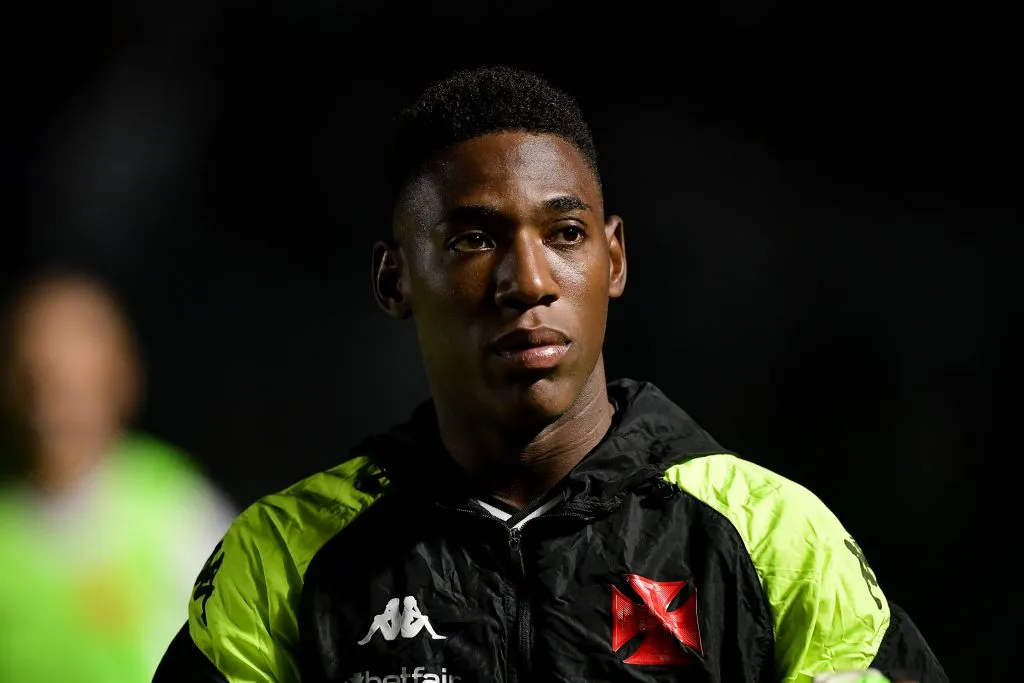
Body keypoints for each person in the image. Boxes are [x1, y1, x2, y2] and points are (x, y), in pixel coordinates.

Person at [153, 66, 946, 683]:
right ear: (394, 280)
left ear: (615, 258)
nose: (528, 278)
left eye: (564, 232)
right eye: (472, 239)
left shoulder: (775, 538)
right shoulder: (285, 559)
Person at [0, 272, 235, 683]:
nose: (49, 411)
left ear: (119, 382)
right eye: (32, 382)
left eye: (73, 388)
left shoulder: (171, 506)